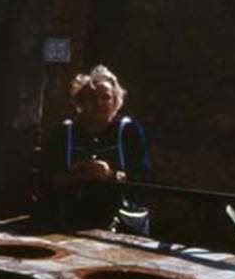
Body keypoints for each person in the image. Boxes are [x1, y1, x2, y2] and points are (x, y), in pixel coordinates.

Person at [36, 64, 153, 236]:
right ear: (80, 102)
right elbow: (45, 176)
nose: (99, 103)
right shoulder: (63, 133)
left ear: (116, 101)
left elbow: (144, 178)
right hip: (69, 221)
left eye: (105, 98)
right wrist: (71, 175)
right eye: (92, 98)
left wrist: (112, 175)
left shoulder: (128, 131)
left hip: (120, 223)